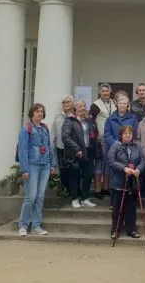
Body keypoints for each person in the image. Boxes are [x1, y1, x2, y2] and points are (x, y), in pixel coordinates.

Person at [17, 103, 56, 236]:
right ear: (32, 113)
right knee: (31, 197)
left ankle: (36, 226)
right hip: (32, 166)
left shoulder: (45, 128)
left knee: (40, 197)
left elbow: (49, 147)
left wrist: (52, 165)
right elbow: (23, 151)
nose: (40, 113)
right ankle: (23, 225)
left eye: (42, 111)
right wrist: (24, 170)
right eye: (37, 111)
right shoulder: (26, 129)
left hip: (45, 166)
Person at [107, 126, 144, 239]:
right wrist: (124, 168)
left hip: (132, 182)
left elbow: (142, 160)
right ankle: (115, 230)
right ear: (121, 135)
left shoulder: (137, 146)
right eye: (125, 133)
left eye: (130, 133)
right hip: (119, 181)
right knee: (118, 208)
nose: (128, 135)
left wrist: (138, 169)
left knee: (131, 208)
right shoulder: (115, 146)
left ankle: (131, 229)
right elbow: (111, 161)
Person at [61, 100, 98, 208]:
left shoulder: (88, 120)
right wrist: (77, 149)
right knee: (74, 176)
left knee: (88, 176)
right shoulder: (69, 121)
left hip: (88, 152)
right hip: (75, 153)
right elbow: (65, 137)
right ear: (75, 109)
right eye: (80, 106)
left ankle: (85, 198)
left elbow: (93, 134)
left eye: (84, 106)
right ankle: (75, 198)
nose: (82, 108)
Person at [92, 84, 117, 198]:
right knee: (99, 164)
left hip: (112, 138)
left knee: (108, 164)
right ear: (100, 92)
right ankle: (97, 190)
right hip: (100, 138)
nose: (105, 93)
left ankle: (106, 188)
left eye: (107, 91)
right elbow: (92, 123)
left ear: (110, 92)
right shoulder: (95, 105)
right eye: (103, 91)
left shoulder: (114, 103)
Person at [105, 96, 139, 160]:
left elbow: (135, 133)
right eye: (120, 103)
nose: (122, 105)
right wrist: (116, 144)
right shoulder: (110, 119)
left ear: (127, 106)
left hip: (129, 149)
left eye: (124, 104)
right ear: (117, 105)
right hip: (114, 148)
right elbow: (107, 134)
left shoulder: (133, 118)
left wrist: (127, 144)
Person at [52, 95, 75, 172]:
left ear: (73, 103)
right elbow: (53, 134)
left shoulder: (76, 116)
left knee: (73, 173)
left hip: (73, 149)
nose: (66, 104)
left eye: (68, 102)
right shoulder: (58, 117)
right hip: (61, 148)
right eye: (63, 102)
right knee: (63, 173)